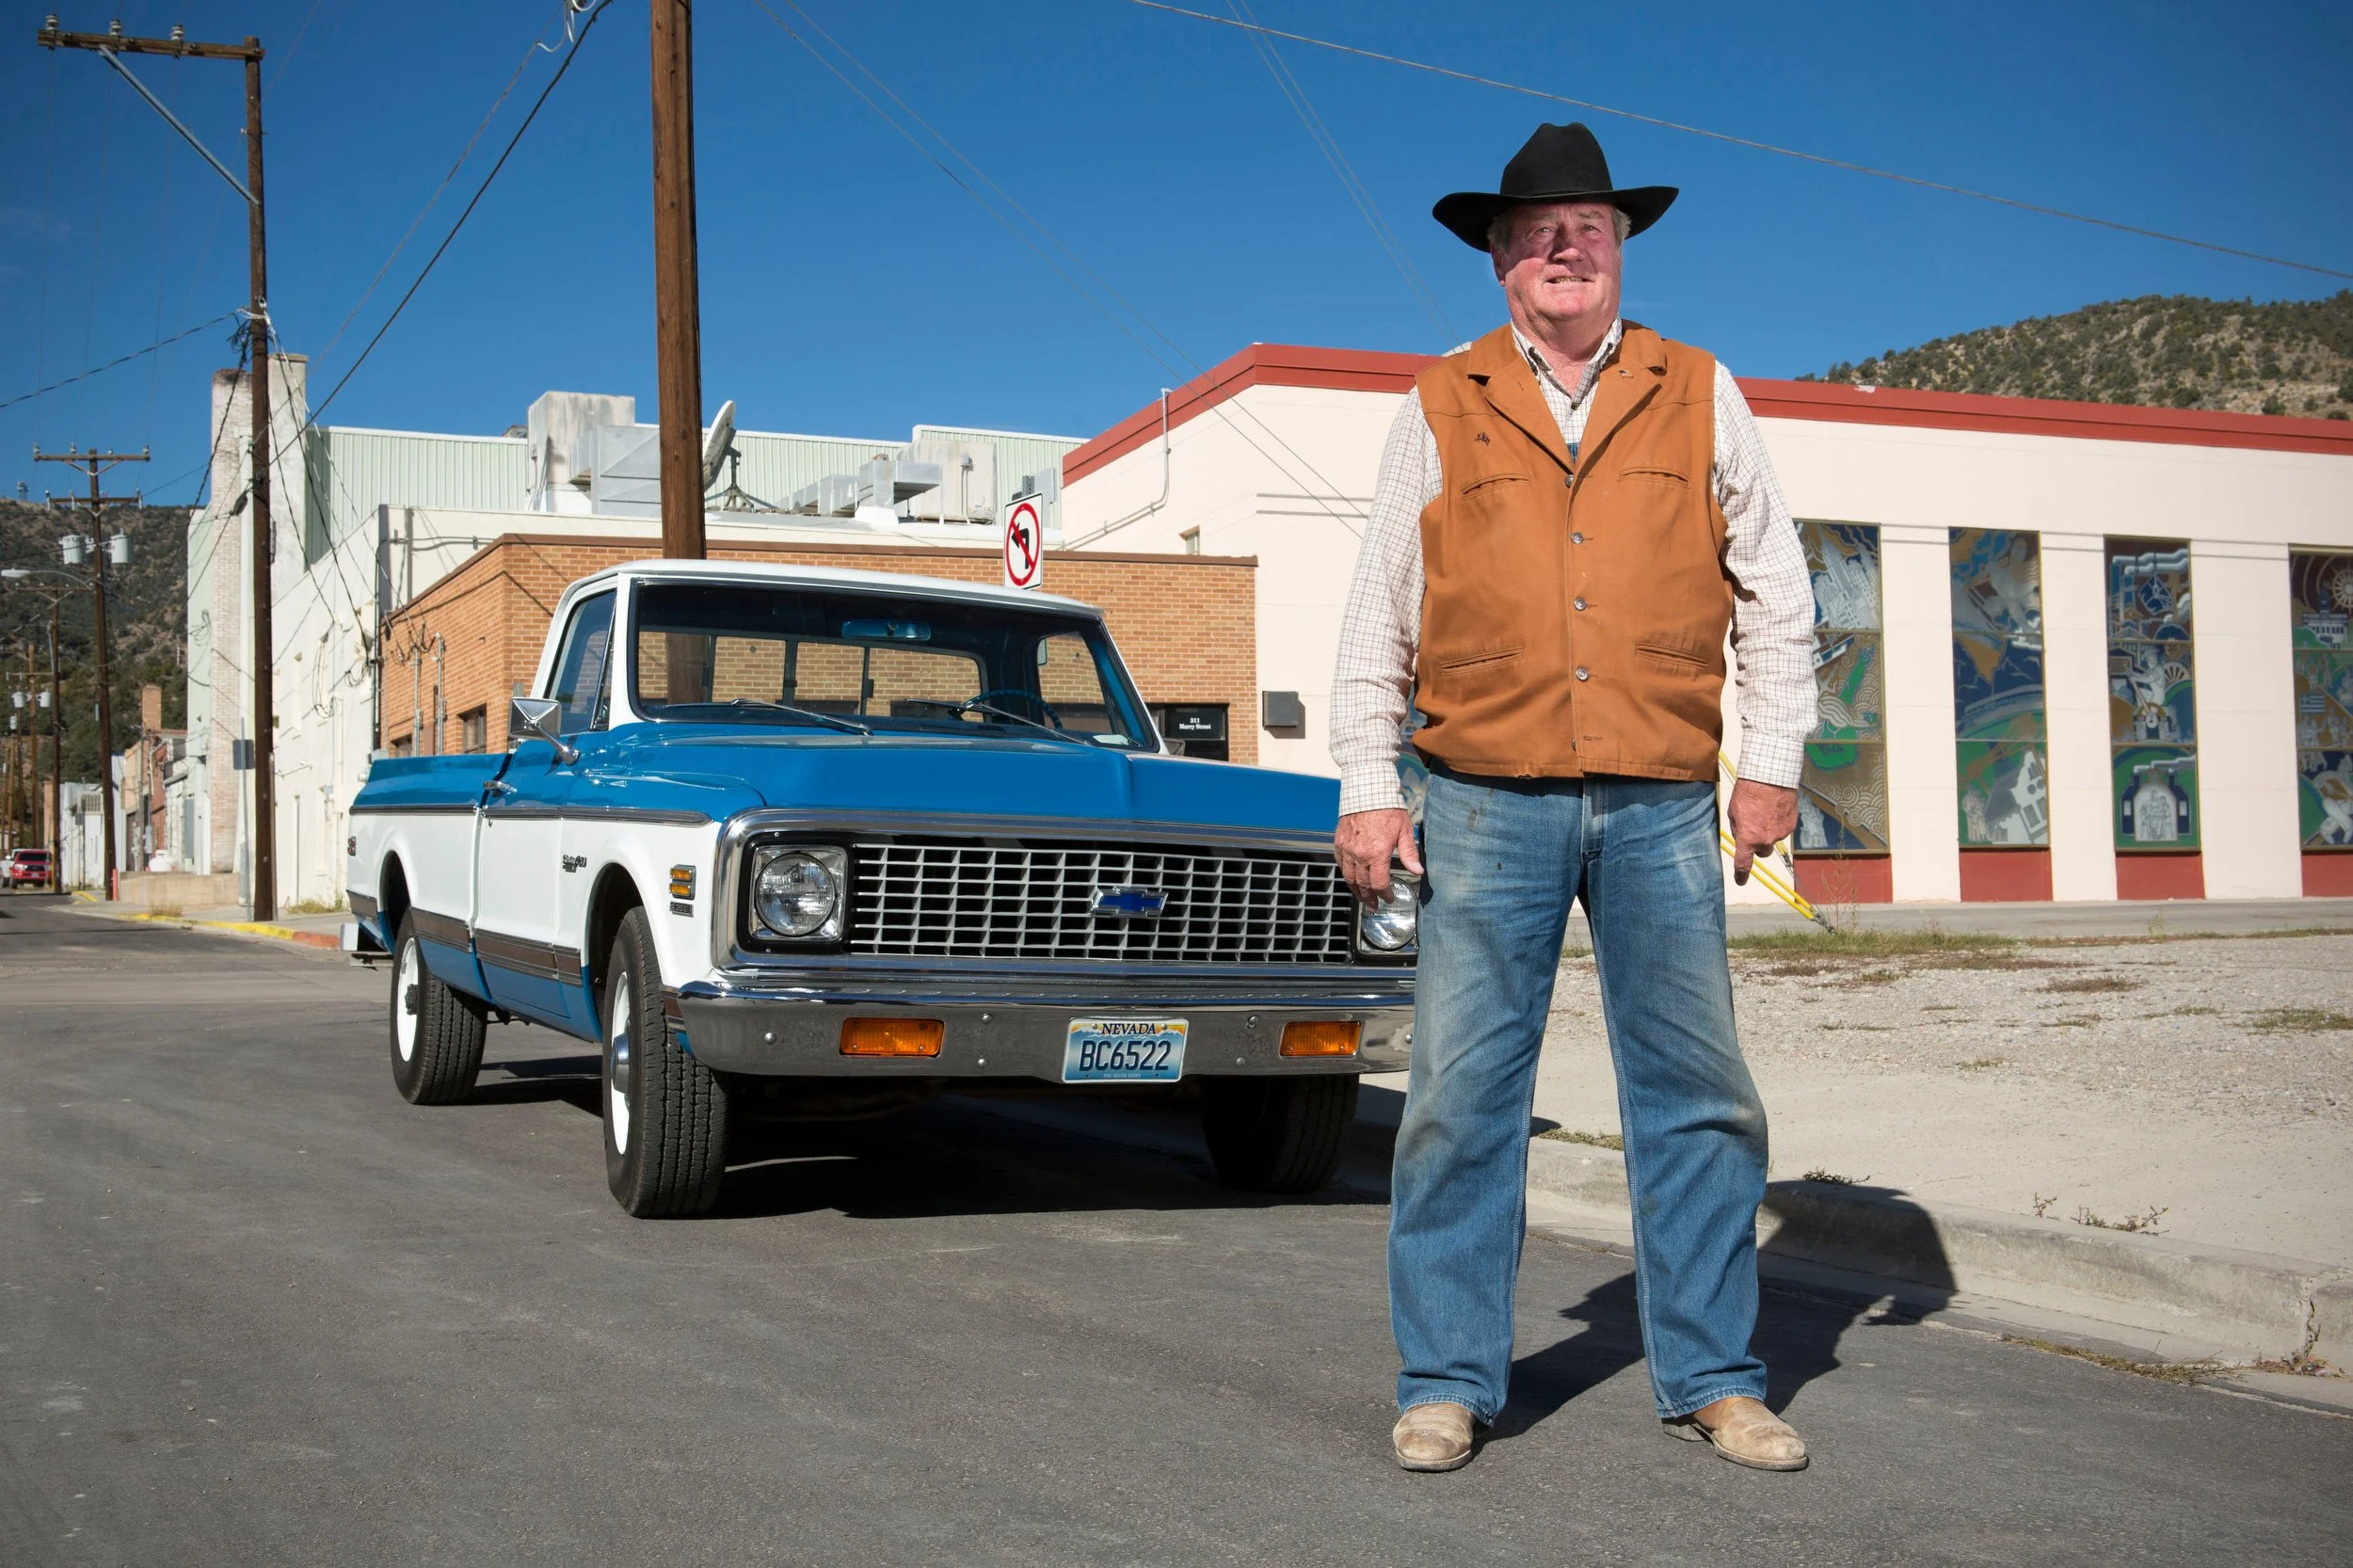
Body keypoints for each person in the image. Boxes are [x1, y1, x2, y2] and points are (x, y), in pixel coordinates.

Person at [1329, 122, 1817, 1474]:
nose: (1566, 247)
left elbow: (1776, 584)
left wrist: (1770, 757)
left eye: (1589, 228)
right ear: (1500, 259)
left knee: (1700, 1096)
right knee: (1459, 1100)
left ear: (1620, 249)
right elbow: (1382, 609)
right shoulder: (1439, 400)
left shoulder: (1699, 388)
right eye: (1539, 230)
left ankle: (1717, 1373)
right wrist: (1372, 783)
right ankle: (1445, 1377)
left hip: (1664, 798)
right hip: (1483, 795)